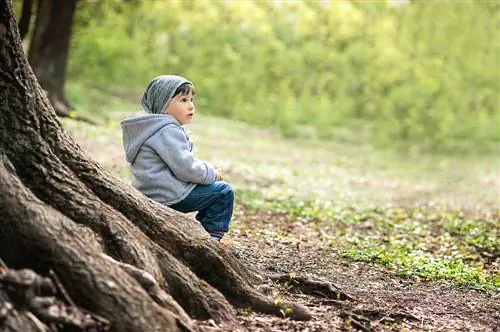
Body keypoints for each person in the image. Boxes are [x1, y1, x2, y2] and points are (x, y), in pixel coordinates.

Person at [120, 75, 235, 245]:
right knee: (223, 192)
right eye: (183, 100)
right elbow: (186, 168)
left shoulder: (148, 128)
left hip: (151, 192)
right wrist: (212, 173)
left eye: (191, 99)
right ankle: (212, 240)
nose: (190, 105)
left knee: (211, 189)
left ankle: (204, 234)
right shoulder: (166, 130)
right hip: (169, 195)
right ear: (162, 103)